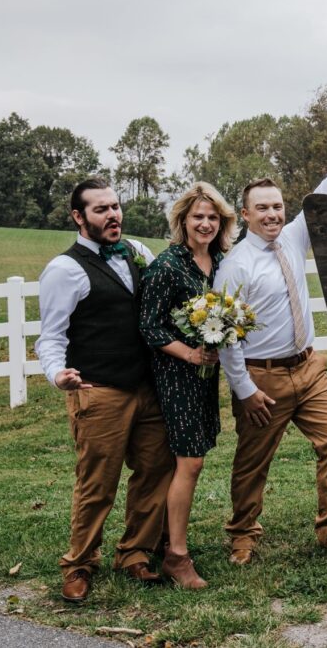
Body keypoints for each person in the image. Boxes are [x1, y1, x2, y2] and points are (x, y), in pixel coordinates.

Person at [215, 130, 327, 560]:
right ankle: (243, 534)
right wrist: (244, 389)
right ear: (246, 214)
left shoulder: (294, 238)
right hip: (261, 375)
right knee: (253, 461)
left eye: (278, 206)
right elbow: (226, 335)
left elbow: (321, 197)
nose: (272, 214)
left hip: (309, 368)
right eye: (262, 208)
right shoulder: (235, 266)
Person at [34, 178, 174, 603]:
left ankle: (134, 552)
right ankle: (79, 563)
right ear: (79, 217)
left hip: (146, 387)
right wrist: (58, 375)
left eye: (115, 206)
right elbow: (50, 337)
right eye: (101, 210)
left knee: (155, 470)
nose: (113, 215)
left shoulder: (137, 252)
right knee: (97, 483)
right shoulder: (64, 270)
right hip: (100, 390)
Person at [138, 182, 238, 588]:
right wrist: (191, 354)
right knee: (190, 461)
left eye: (213, 217)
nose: (206, 223)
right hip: (176, 374)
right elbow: (149, 326)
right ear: (182, 220)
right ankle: (177, 556)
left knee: (191, 458)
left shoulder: (219, 264)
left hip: (205, 375)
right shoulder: (167, 266)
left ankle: (165, 539)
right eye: (198, 216)